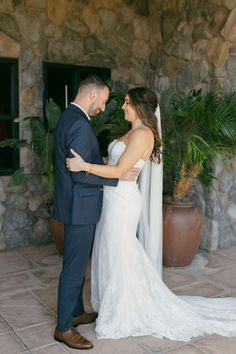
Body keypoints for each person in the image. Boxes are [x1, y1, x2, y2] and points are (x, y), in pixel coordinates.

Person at [66, 87, 236, 342]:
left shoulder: (144, 135)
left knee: (120, 251)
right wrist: (100, 162)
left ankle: (124, 311)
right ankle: (112, 303)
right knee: (111, 250)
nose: (122, 107)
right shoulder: (131, 132)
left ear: (139, 106)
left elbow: (122, 171)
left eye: (126, 103)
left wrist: (84, 166)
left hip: (123, 202)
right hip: (113, 198)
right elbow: (115, 164)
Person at [52, 75, 138, 350]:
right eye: (102, 101)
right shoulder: (78, 123)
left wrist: (99, 163)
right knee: (74, 268)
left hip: (74, 204)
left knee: (75, 264)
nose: (102, 107)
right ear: (92, 95)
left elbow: (82, 163)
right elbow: (79, 174)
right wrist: (117, 179)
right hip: (80, 206)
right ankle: (64, 327)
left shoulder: (69, 117)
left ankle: (76, 312)